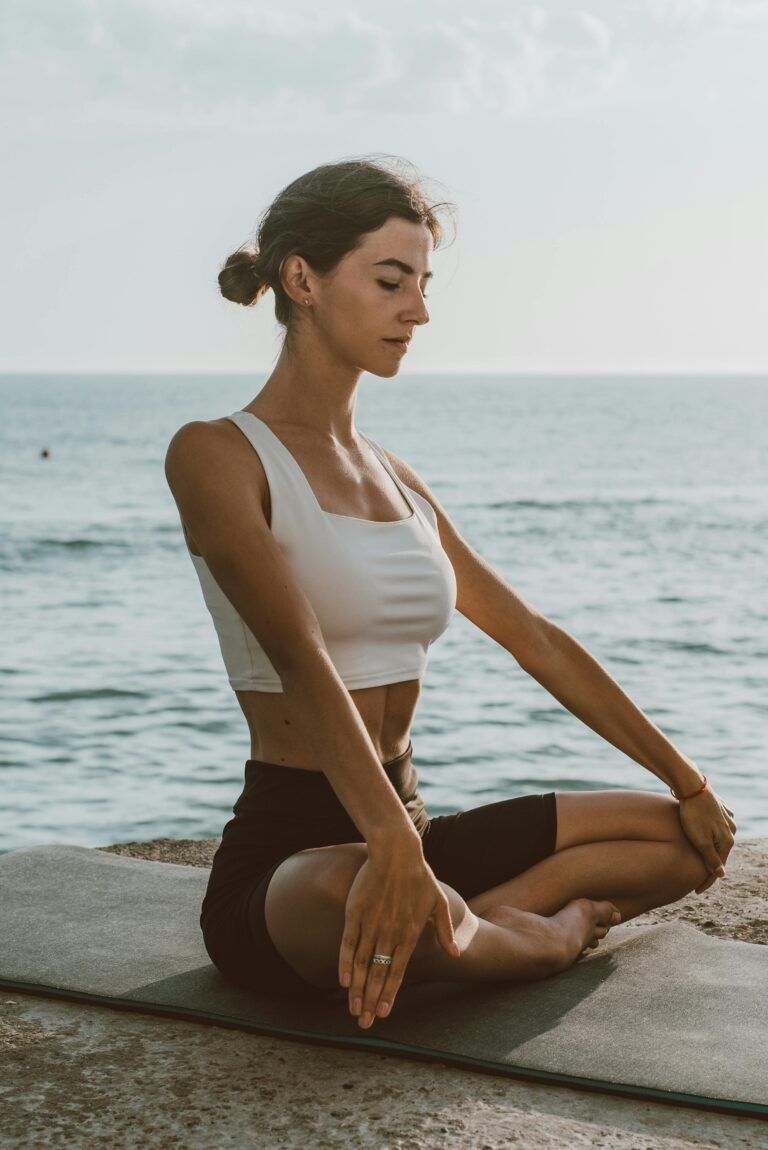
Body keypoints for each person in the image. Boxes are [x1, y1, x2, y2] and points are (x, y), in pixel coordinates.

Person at [164, 153, 737, 1031]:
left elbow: (532, 637)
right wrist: (388, 842)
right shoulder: (217, 454)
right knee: (341, 888)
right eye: (392, 281)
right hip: (294, 862)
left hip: (412, 828)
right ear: (301, 279)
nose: (419, 310)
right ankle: (542, 938)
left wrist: (687, 780)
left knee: (679, 841)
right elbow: (302, 659)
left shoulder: (396, 479)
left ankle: (465, 922)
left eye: (425, 284)